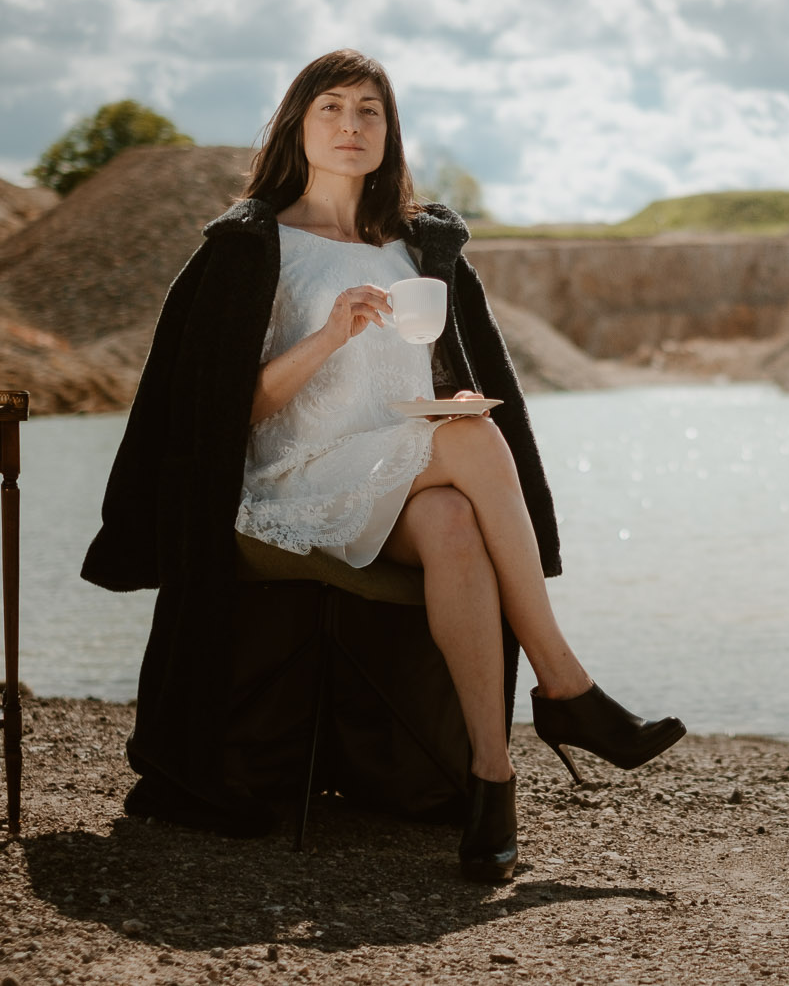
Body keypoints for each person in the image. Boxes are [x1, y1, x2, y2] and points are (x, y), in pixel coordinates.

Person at [82, 49, 682, 882]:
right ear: (297, 124)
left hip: (395, 470)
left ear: (389, 132)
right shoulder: (254, 245)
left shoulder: (417, 247)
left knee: (455, 521)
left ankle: (490, 778)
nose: (352, 125)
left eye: (370, 110)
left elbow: (444, 368)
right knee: (470, 444)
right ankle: (565, 685)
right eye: (332, 108)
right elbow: (228, 412)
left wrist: (446, 397)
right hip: (291, 472)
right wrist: (327, 335)